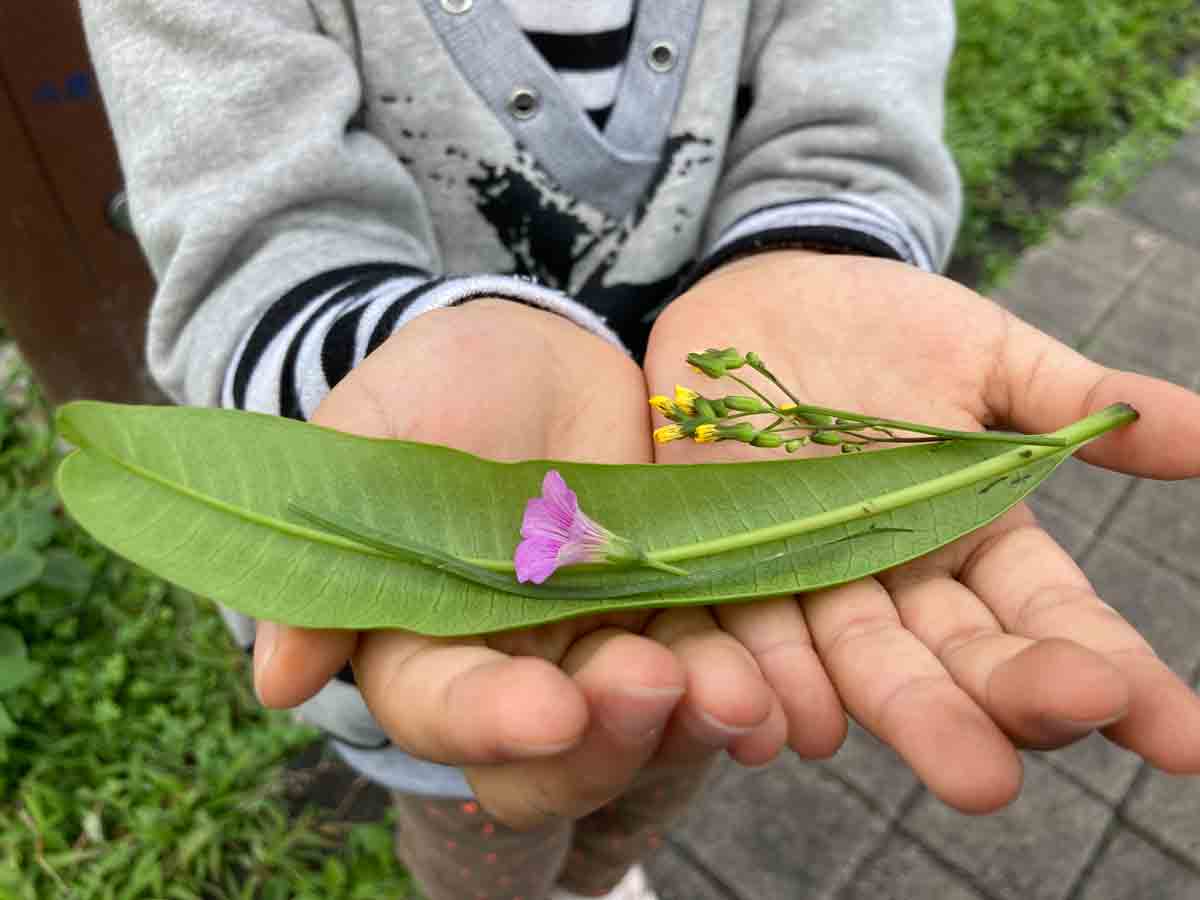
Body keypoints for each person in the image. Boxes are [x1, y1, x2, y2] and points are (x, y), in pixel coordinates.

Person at [81, 2, 1200, 898]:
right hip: (442, 651)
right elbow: (252, 235)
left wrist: (818, 251)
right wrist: (384, 360)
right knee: (487, 832)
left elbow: (850, 122)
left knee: (659, 756)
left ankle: (603, 877)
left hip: (732, 633)